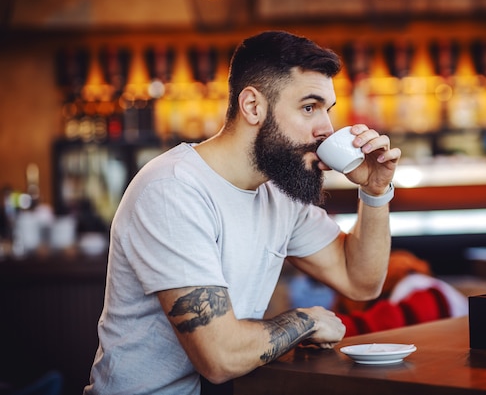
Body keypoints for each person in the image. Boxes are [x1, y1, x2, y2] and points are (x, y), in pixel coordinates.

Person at [83, 30, 401, 395]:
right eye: (309, 107)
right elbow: (221, 358)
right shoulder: (172, 190)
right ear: (253, 106)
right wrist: (306, 320)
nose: (327, 129)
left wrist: (374, 192)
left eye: (327, 110)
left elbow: (360, 282)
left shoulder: (280, 191)